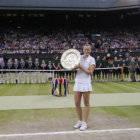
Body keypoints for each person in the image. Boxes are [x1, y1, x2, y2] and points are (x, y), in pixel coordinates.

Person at [72, 44, 96, 131]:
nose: (86, 51)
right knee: (77, 103)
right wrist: (75, 66)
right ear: (83, 49)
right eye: (85, 49)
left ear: (90, 50)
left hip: (86, 83)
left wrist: (81, 67)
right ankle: (80, 121)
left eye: (88, 49)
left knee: (86, 103)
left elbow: (90, 72)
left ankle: (85, 123)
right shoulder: (79, 57)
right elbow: (72, 69)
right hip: (78, 82)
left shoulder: (92, 59)